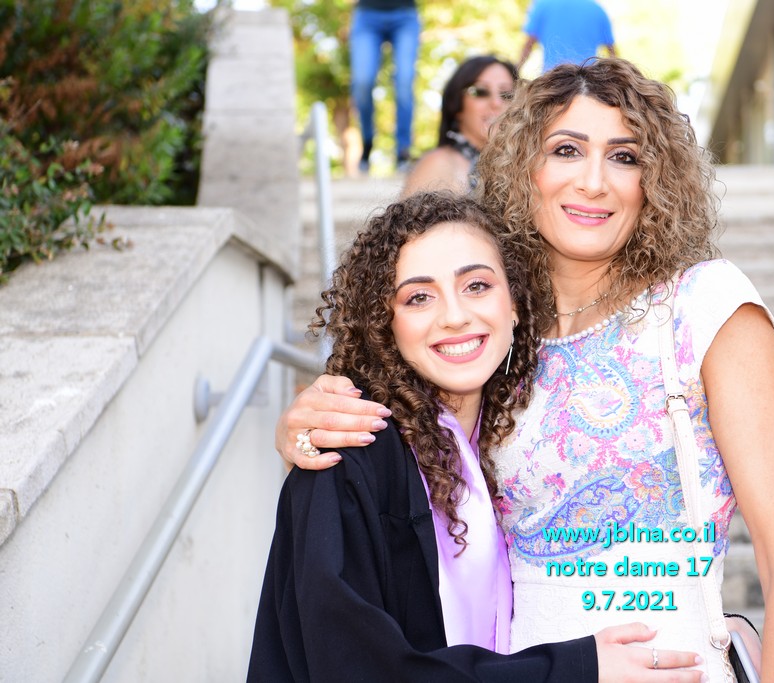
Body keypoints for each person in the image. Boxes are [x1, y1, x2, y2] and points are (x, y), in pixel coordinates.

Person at [276, 59, 774, 682]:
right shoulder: (492, 335)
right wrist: (300, 429)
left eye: (624, 156)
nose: (593, 182)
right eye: (567, 150)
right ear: (524, 169)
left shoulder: (705, 307)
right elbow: (396, 453)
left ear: (655, 180)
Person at [248, 192, 704, 682]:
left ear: (516, 305)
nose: (454, 316)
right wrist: (575, 670)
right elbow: (357, 669)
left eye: (477, 286)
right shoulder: (349, 451)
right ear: (385, 323)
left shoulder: (507, 451)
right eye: (419, 297)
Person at [402, 56, 518, 197]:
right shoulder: (438, 164)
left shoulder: (522, 168)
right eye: (480, 92)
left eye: (507, 94)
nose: (496, 103)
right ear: (456, 105)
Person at [349, 0, 420, 173]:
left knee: (404, 82)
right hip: (367, 15)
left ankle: (403, 151)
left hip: (405, 14)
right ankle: (367, 141)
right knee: (362, 82)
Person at [517, 0, 615, 73]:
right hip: (587, 81)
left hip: (553, 79)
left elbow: (528, 45)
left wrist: (515, 71)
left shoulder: (542, 5)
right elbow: (612, 53)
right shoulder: (597, 9)